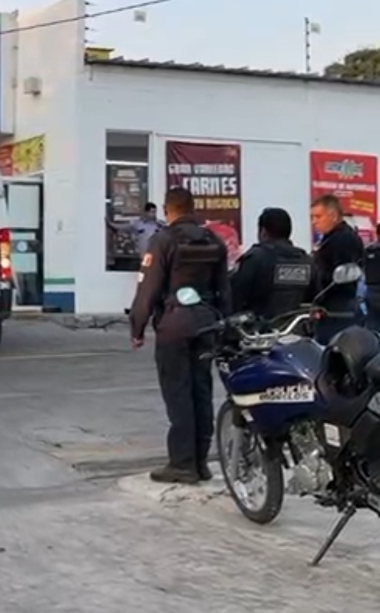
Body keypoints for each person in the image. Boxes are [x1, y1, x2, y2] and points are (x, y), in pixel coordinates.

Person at [129, 187, 231, 485]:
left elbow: (148, 288)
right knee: (201, 391)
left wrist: (137, 327)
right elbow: (225, 289)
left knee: (178, 393)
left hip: (174, 325)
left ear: (167, 209)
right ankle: (201, 462)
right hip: (207, 324)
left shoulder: (162, 241)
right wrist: (223, 325)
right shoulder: (215, 241)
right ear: (192, 207)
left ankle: (182, 464)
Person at [229, 207, 315, 321]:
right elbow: (314, 299)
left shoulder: (255, 258)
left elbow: (236, 298)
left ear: (263, 231)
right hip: (295, 331)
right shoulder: (307, 261)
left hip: (258, 333)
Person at [309, 195, 365, 344]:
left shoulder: (342, 239)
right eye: (312, 217)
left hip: (338, 309)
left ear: (333, 216)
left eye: (318, 216)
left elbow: (341, 274)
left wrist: (321, 289)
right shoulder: (330, 238)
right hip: (330, 307)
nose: (314, 221)